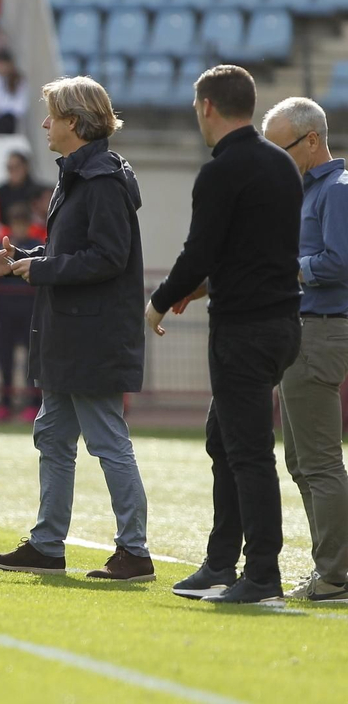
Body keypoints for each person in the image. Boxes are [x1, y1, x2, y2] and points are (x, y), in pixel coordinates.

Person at [0, 76, 154, 583]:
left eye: (52, 116)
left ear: (74, 122)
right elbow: (74, 253)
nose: (45, 124)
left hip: (91, 337)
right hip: (72, 335)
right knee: (53, 437)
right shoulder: (83, 174)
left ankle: (134, 552)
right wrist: (23, 259)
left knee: (106, 440)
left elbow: (108, 258)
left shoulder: (101, 180)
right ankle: (47, 545)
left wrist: (42, 268)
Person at [149, 65, 304, 605]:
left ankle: (261, 575)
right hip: (283, 325)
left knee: (249, 452)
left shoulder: (221, 171)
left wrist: (161, 299)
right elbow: (254, 251)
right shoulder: (281, 165)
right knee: (225, 439)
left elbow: (200, 252)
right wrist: (204, 286)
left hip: (244, 329)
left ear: (207, 106)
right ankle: (220, 563)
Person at [258, 98, 348, 604]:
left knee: (319, 462)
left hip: (320, 330)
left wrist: (290, 265)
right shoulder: (309, 191)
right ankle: (331, 569)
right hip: (303, 330)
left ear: (312, 140)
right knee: (301, 460)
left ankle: (335, 576)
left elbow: (340, 261)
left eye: (282, 148)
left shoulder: (337, 191)